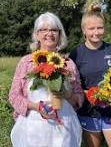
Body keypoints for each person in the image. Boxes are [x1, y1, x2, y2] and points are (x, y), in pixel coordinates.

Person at [9, 12, 84, 147]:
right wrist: (37, 106)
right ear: (37, 35)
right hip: (33, 127)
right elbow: (14, 96)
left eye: (54, 30)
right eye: (44, 29)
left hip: (64, 126)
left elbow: (79, 99)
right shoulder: (26, 62)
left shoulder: (68, 64)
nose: (49, 33)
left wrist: (67, 94)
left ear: (59, 35)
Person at [69, 0, 111, 147]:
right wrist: (89, 94)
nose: (96, 32)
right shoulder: (76, 54)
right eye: (91, 29)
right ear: (84, 30)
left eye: (100, 28)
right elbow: (72, 84)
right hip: (88, 113)